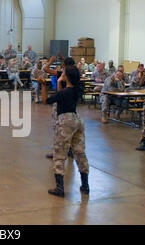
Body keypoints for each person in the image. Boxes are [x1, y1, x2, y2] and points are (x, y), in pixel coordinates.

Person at [40, 65, 90, 197]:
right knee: (80, 152)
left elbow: (46, 100)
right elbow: (61, 92)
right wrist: (59, 81)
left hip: (65, 122)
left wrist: (43, 86)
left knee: (59, 154)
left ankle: (60, 188)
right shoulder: (76, 90)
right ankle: (85, 185)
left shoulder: (64, 93)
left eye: (63, 73)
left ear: (67, 76)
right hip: (77, 120)